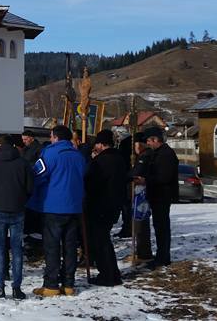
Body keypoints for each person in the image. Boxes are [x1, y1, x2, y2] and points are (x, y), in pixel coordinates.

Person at [29, 125, 87, 298]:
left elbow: (37, 175)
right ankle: (69, 284)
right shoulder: (78, 155)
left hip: (53, 206)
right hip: (74, 206)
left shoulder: (50, 153)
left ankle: (51, 285)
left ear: (54, 137)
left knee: (52, 247)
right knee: (70, 247)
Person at [0, 135, 34, 299]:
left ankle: (0, 286)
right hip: (17, 208)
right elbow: (30, 187)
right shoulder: (23, 162)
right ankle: (17, 288)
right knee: (17, 248)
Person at [85, 130, 129, 286]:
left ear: (101, 144)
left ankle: (108, 275)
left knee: (101, 242)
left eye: (97, 143)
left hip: (101, 206)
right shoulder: (119, 158)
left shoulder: (101, 161)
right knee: (104, 241)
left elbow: (92, 184)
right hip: (114, 205)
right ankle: (112, 273)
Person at [139, 127, 178, 269]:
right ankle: (161, 256)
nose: (148, 143)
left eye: (149, 141)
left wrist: (146, 180)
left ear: (156, 140)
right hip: (157, 195)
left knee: (162, 228)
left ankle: (163, 258)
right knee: (159, 227)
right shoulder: (158, 153)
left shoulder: (166, 155)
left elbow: (163, 177)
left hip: (162, 195)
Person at [127, 134, 154, 263]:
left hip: (141, 194)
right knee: (138, 224)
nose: (135, 147)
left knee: (141, 223)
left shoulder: (145, 156)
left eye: (136, 144)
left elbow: (137, 172)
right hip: (139, 193)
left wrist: (130, 175)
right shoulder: (142, 156)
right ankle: (140, 251)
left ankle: (144, 253)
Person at [20, 130, 44, 240]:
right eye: (23, 140)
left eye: (25, 139)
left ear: (31, 138)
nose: (24, 142)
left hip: (33, 179)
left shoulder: (38, 149)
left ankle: (34, 230)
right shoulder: (25, 149)